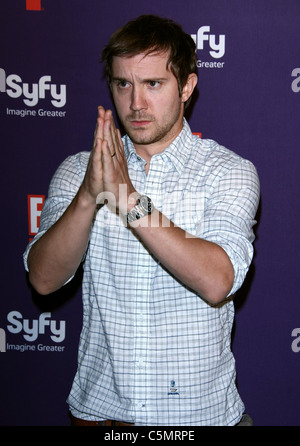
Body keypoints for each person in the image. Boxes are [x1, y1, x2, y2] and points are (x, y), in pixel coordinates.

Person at [23, 15, 260, 426]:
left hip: (199, 418)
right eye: (123, 84)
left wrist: (126, 198)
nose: (135, 103)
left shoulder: (228, 171)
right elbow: (43, 278)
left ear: (186, 86)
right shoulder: (80, 169)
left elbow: (218, 279)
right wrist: (89, 195)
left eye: (153, 84)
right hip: (100, 417)